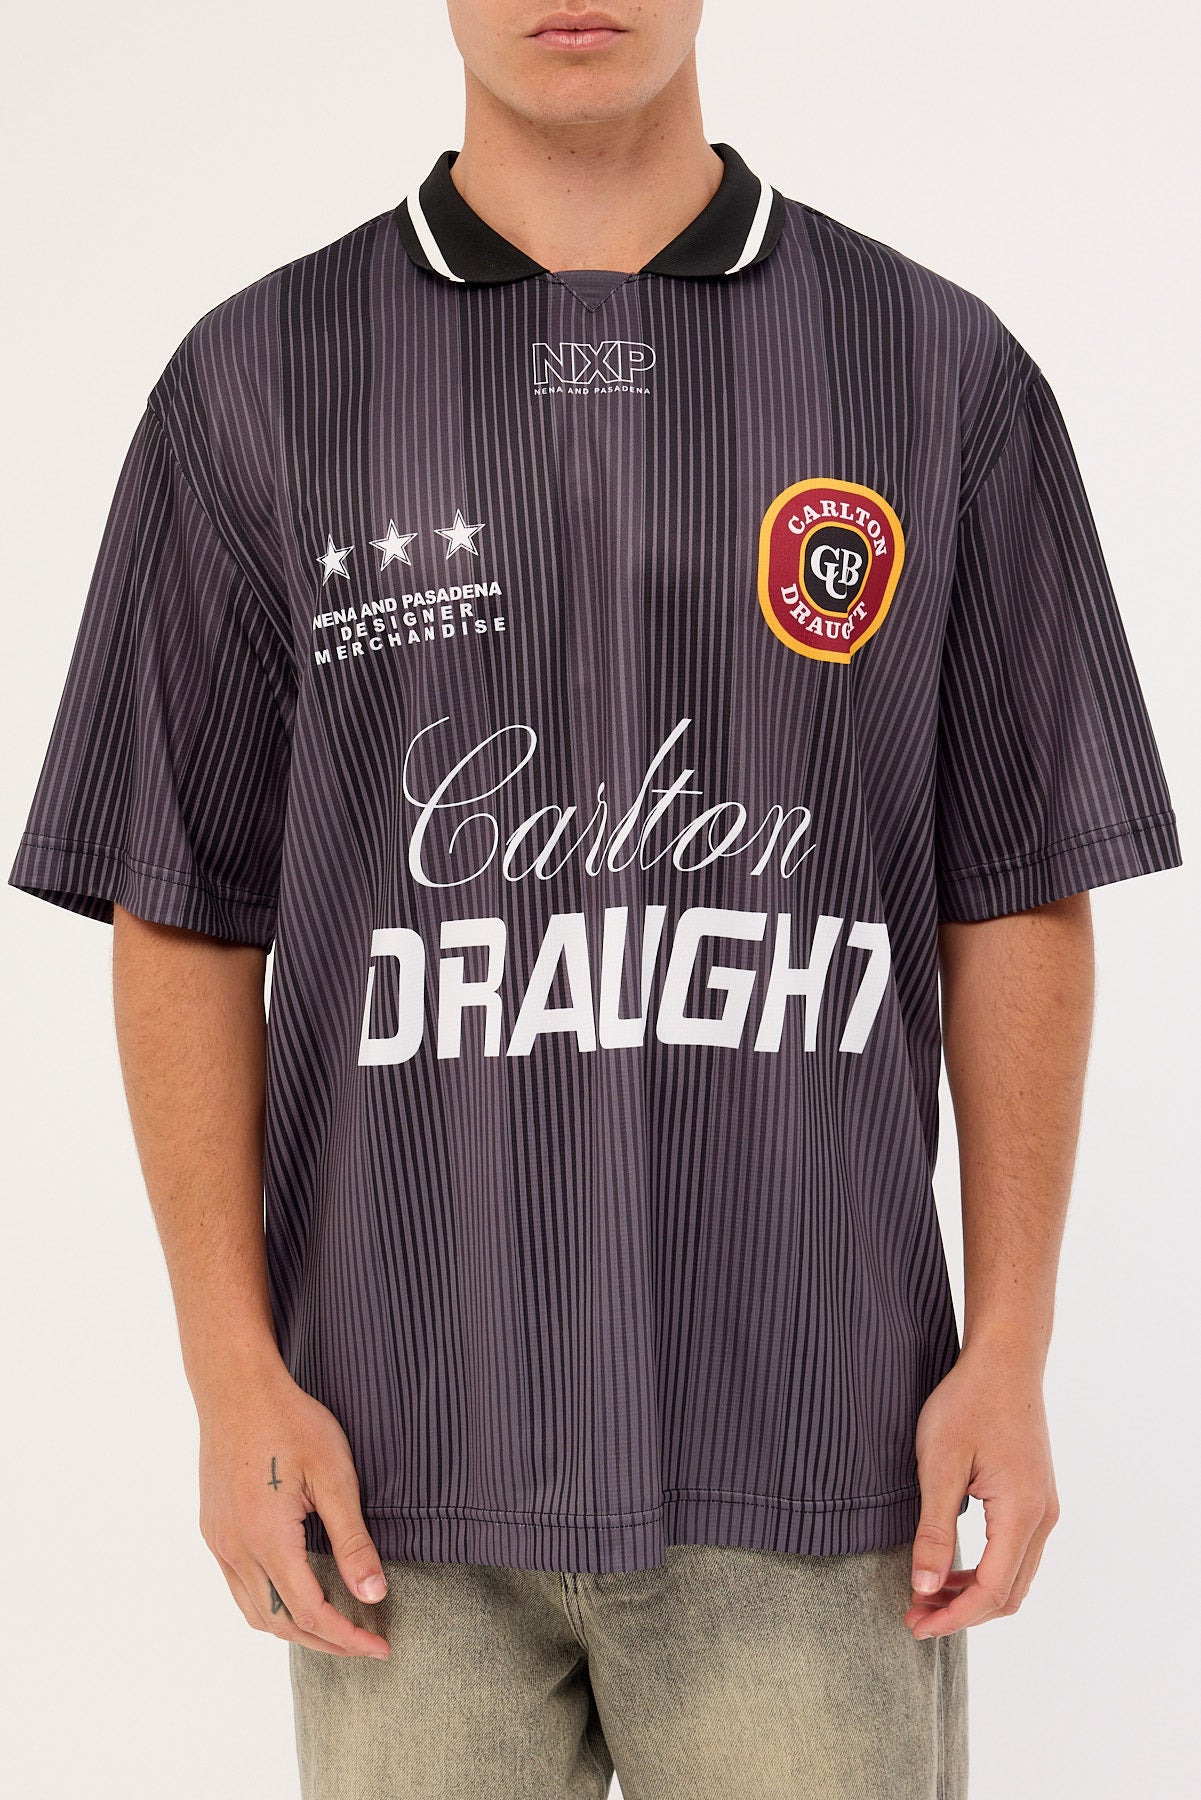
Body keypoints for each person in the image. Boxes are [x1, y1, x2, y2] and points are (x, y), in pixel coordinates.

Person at [7, 3, 1182, 1795]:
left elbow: (1015, 879)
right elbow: (181, 904)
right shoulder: (257, 382)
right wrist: (230, 1376)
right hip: (394, 1462)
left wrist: (1010, 1342)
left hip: (817, 1443)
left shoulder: (932, 370)